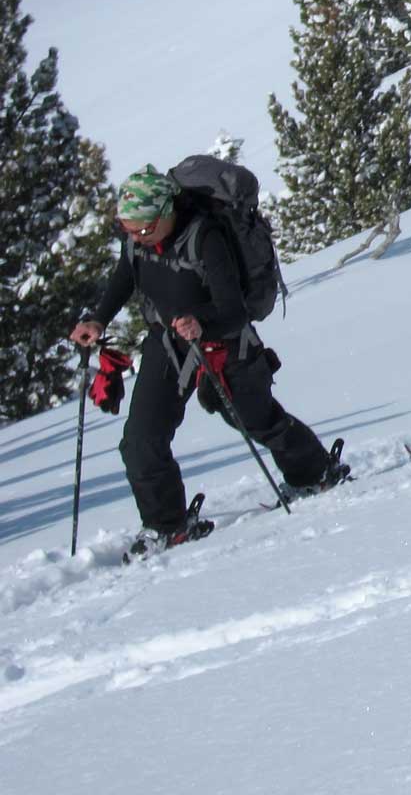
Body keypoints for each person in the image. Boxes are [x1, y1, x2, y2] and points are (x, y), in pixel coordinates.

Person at [69, 165, 348, 556]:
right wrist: (98, 319)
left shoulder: (206, 237)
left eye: (144, 229)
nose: (136, 238)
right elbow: (124, 277)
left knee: (254, 418)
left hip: (223, 341)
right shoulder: (138, 240)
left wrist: (201, 322)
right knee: (140, 440)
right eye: (128, 230)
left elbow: (234, 310)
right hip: (167, 342)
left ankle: (316, 473)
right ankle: (168, 526)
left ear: (167, 211)